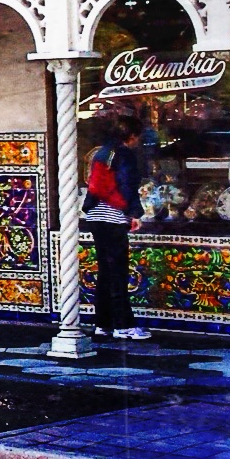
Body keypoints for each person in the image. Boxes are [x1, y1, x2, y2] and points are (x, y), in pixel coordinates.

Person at [82, 112, 149, 340]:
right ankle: (124, 326)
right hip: (113, 217)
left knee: (105, 272)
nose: (138, 141)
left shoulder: (101, 152)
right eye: (137, 136)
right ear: (130, 136)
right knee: (118, 272)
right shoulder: (124, 154)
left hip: (96, 217)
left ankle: (103, 323)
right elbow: (126, 186)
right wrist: (135, 213)